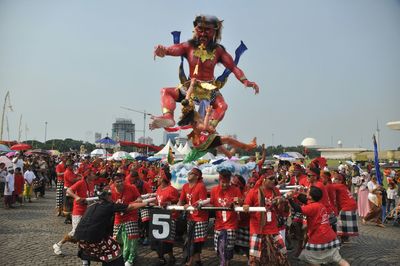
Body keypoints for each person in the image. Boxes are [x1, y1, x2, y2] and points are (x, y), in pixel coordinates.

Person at [150, 15, 259, 130]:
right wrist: (163, 50)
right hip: (190, 87)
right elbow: (172, 49)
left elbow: (233, 67)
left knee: (222, 106)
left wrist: (246, 81)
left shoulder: (218, 51)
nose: (203, 34)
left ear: (214, 32)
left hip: (209, 90)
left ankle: (208, 128)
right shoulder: (188, 47)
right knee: (166, 91)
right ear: (195, 30)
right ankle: (168, 117)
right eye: (200, 29)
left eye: (207, 30)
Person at [74, 187, 149, 266]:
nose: (112, 196)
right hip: (93, 239)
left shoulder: (91, 206)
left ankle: (86, 262)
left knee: (106, 248)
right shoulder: (109, 206)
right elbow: (130, 207)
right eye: (110, 195)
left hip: (80, 240)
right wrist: (146, 203)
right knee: (116, 251)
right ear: (107, 197)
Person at [287, 186, 350, 266]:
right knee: (338, 259)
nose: (306, 192)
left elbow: (298, 209)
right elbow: (305, 200)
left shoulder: (312, 207)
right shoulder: (319, 204)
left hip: (319, 236)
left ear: (310, 196)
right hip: (330, 236)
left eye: (307, 191)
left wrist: (289, 199)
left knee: (311, 259)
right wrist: (296, 194)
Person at [243, 172, 289, 266]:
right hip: (257, 230)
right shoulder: (253, 192)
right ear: (264, 180)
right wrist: (245, 207)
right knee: (255, 259)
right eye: (271, 179)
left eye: (274, 179)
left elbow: (281, 210)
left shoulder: (275, 191)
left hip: (273, 229)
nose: (273, 181)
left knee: (282, 255)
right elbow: (246, 206)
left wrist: (282, 202)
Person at [53, 168, 96, 262]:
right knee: (75, 232)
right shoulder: (80, 183)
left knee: (87, 231)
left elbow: (90, 197)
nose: (95, 175)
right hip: (78, 211)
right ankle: (58, 245)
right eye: (93, 174)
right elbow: (69, 190)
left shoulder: (92, 183)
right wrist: (76, 197)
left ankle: (84, 250)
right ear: (88, 175)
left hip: (87, 211)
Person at [209, 170, 243, 266]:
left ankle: (226, 263)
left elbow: (239, 200)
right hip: (218, 224)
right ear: (219, 180)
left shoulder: (235, 189)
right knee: (218, 247)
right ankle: (222, 261)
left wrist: (234, 203)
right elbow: (211, 203)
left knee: (228, 246)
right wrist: (200, 204)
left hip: (231, 223)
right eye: (222, 182)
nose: (224, 184)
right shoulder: (214, 190)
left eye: (226, 182)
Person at [178, 167, 209, 266]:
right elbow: (181, 200)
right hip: (190, 217)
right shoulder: (185, 186)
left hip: (200, 218)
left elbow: (202, 201)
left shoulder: (201, 186)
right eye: (189, 173)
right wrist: (177, 206)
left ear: (197, 176)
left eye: (191, 173)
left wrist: (190, 206)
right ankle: (198, 261)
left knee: (195, 241)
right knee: (191, 239)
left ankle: (190, 262)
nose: (188, 174)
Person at [111, 173, 142, 266]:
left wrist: (132, 203)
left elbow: (139, 198)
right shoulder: (111, 191)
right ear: (113, 183)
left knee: (132, 238)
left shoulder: (131, 187)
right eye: (118, 182)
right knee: (117, 238)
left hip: (131, 216)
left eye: (122, 181)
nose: (120, 183)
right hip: (118, 217)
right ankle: (120, 257)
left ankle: (130, 259)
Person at [151, 167, 179, 265]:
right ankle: (161, 257)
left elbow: (177, 202)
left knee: (167, 240)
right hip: (158, 217)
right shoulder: (158, 189)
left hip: (170, 218)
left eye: (159, 177)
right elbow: (156, 201)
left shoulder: (172, 190)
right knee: (158, 239)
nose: (157, 179)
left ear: (163, 179)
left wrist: (169, 202)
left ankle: (170, 256)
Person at [331, 173, 358, 242]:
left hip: (348, 206)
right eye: (334, 179)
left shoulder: (338, 186)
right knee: (345, 222)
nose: (334, 180)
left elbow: (328, 187)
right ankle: (345, 238)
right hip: (351, 205)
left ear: (340, 181)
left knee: (342, 223)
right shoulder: (343, 186)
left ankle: (344, 238)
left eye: (336, 179)